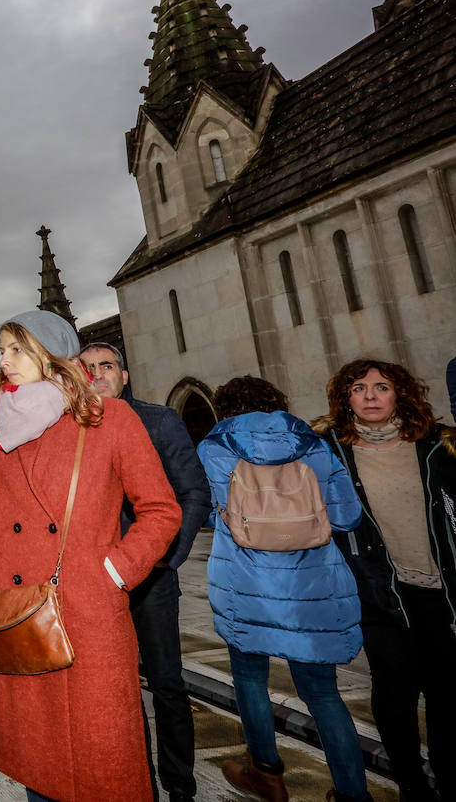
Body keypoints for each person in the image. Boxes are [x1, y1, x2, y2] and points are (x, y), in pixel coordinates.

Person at [0, 310, 180, 802]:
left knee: (103, 759)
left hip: (87, 610)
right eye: (2, 349)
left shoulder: (110, 417)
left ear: (50, 353)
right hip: (17, 610)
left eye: (16, 348)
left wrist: (116, 571)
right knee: (37, 760)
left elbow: (161, 510)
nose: (4, 359)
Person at [198, 376, 369, 802]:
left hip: (244, 583)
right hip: (313, 585)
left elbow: (203, 512)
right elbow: (347, 516)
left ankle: (267, 775)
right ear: (277, 403)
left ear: (223, 409)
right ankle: (353, 794)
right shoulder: (312, 444)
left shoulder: (213, 448)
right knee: (324, 696)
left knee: (250, 680)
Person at [316, 359, 456, 802]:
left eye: (382, 386)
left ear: (400, 394)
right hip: (379, 592)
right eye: (359, 388)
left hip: (441, 591)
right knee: (394, 691)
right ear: (346, 398)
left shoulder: (439, 446)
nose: (371, 395)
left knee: (446, 693)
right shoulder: (331, 453)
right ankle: (412, 784)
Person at [80, 342, 211, 802]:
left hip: (150, 579)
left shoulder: (158, 421)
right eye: (88, 367)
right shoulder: (76, 428)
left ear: (125, 374)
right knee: (116, 690)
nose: (97, 374)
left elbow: (193, 493)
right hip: (97, 583)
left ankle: (180, 788)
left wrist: (164, 558)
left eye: (107, 366)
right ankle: (137, 786)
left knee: (167, 685)